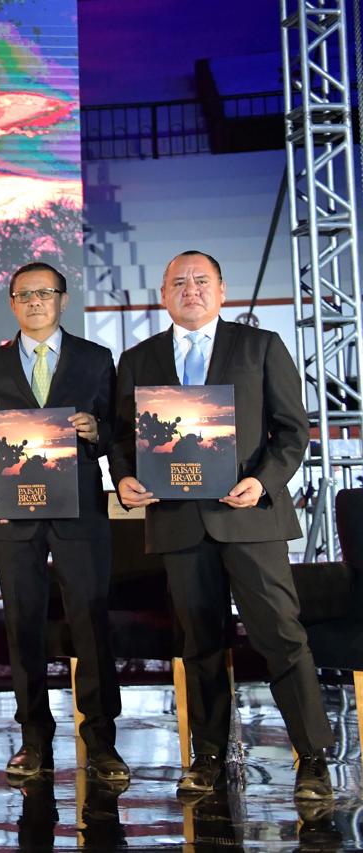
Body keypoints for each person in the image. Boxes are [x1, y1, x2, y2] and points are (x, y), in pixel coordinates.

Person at [110, 250, 333, 801]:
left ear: (222, 289)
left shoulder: (258, 347)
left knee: (282, 637)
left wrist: (263, 481)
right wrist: (123, 477)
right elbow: (120, 435)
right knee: (199, 644)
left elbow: (292, 430)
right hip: (180, 525)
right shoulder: (139, 359)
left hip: (250, 518)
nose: (190, 289)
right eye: (178, 282)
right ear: (162, 295)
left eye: (201, 280)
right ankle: (207, 755)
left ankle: (313, 758)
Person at [0, 262, 127, 784]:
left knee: (90, 622)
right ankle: (33, 738)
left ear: (62, 299)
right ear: (12, 303)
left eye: (45, 293)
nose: (34, 302)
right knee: (23, 626)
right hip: (14, 515)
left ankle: (102, 742)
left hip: (79, 510)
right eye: (24, 294)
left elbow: (121, 431)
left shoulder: (95, 358)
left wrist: (96, 428)